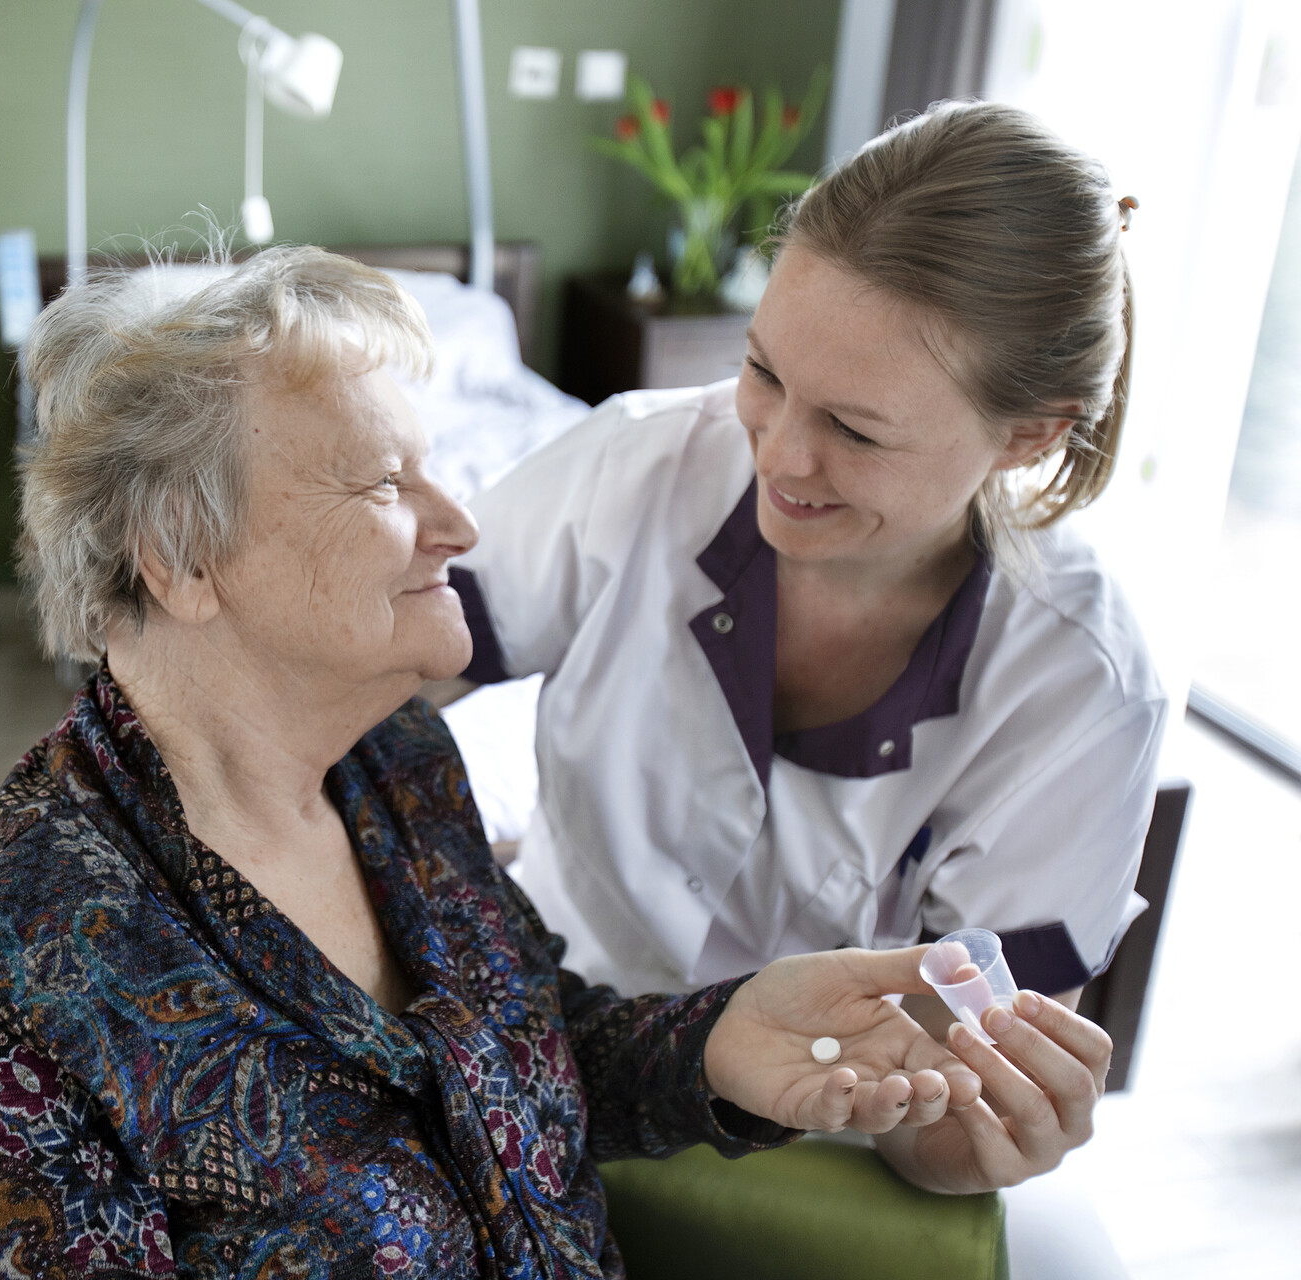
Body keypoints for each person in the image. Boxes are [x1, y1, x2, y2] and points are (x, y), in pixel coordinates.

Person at [0, 246, 1111, 1276]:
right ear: (181, 559)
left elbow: (523, 1048)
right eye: (385, 481)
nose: (459, 524)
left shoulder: (393, 762)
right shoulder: (7, 957)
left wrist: (722, 1040)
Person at [443, 101, 1161, 1193]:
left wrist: (972, 1139)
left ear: (1029, 435)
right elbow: (378, 673)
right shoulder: (635, 466)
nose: (778, 455)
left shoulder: (1080, 692)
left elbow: (939, 1113)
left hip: (813, 1141)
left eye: (856, 430)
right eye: (764, 371)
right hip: (548, 1030)